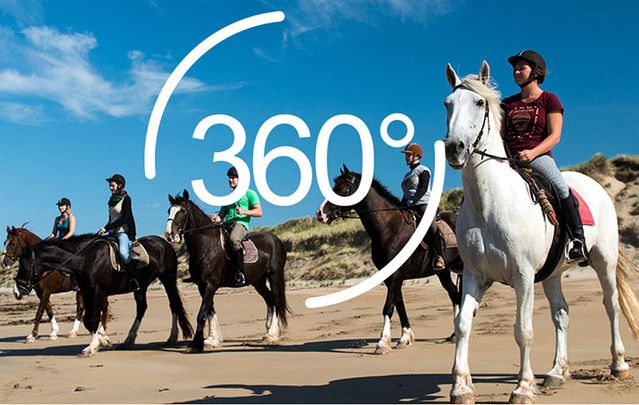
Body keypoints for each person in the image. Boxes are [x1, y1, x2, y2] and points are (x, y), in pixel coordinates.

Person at [501, 49, 587, 263]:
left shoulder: (549, 99)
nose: (516, 72)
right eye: (514, 69)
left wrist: (532, 153)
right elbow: (500, 134)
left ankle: (578, 239)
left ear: (536, 72)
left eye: (521, 68)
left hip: (537, 155)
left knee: (560, 186)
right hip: (508, 158)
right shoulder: (507, 104)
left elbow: (555, 135)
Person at [210, 167, 262, 286]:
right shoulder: (228, 197)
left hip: (241, 224)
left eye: (233, 178)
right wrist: (215, 218)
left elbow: (259, 212)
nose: (230, 180)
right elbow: (221, 216)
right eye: (229, 178)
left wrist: (244, 211)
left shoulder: (250, 193)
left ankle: (241, 273)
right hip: (226, 224)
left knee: (234, 239)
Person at [400, 143, 445, 271]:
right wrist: (400, 205)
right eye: (406, 155)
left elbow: (423, 189)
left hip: (423, 204)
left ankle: (439, 257)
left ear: (416, 156)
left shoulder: (423, 170)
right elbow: (406, 193)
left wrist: (413, 201)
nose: (406, 157)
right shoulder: (407, 175)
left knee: (431, 227)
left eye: (408, 155)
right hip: (410, 206)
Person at [97, 174, 139, 288]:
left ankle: (134, 279)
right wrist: (104, 228)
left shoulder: (126, 199)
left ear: (119, 185)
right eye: (110, 186)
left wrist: (107, 228)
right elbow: (111, 220)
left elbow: (124, 218)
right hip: (111, 232)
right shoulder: (111, 200)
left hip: (122, 232)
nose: (111, 188)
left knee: (123, 253)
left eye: (112, 185)